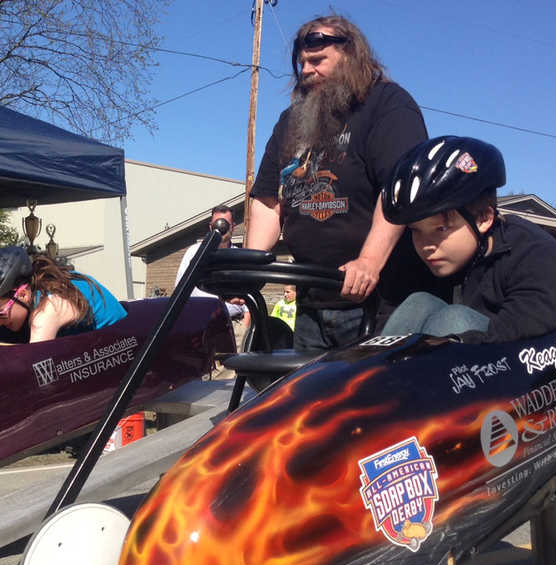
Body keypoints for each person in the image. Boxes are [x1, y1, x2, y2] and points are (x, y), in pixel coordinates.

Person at [245, 15, 434, 350]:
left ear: (351, 56)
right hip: (311, 301)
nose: (305, 71)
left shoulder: (387, 105)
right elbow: (267, 200)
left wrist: (368, 263)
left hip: (377, 303)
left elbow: (400, 188)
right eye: (302, 63)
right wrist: (248, 266)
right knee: (310, 400)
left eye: (317, 61)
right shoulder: (290, 122)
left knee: (367, 400)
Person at [379, 136, 556, 343]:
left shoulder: (536, 253)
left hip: (547, 359)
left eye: (440, 228)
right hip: (480, 363)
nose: (427, 245)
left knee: (454, 319)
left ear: (483, 218)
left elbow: (519, 330)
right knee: (419, 303)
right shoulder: (447, 254)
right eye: (416, 230)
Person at [0, 246, 126, 343]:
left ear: (22, 294)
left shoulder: (48, 310)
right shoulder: (33, 296)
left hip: (125, 353)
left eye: (0, 314)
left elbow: (33, 370)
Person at [175, 205, 251, 339]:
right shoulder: (194, 252)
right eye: (217, 224)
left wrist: (243, 326)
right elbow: (179, 290)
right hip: (198, 326)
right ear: (210, 227)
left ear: (232, 227)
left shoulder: (240, 257)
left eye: (224, 224)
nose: (220, 228)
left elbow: (249, 296)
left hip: (232, 326)